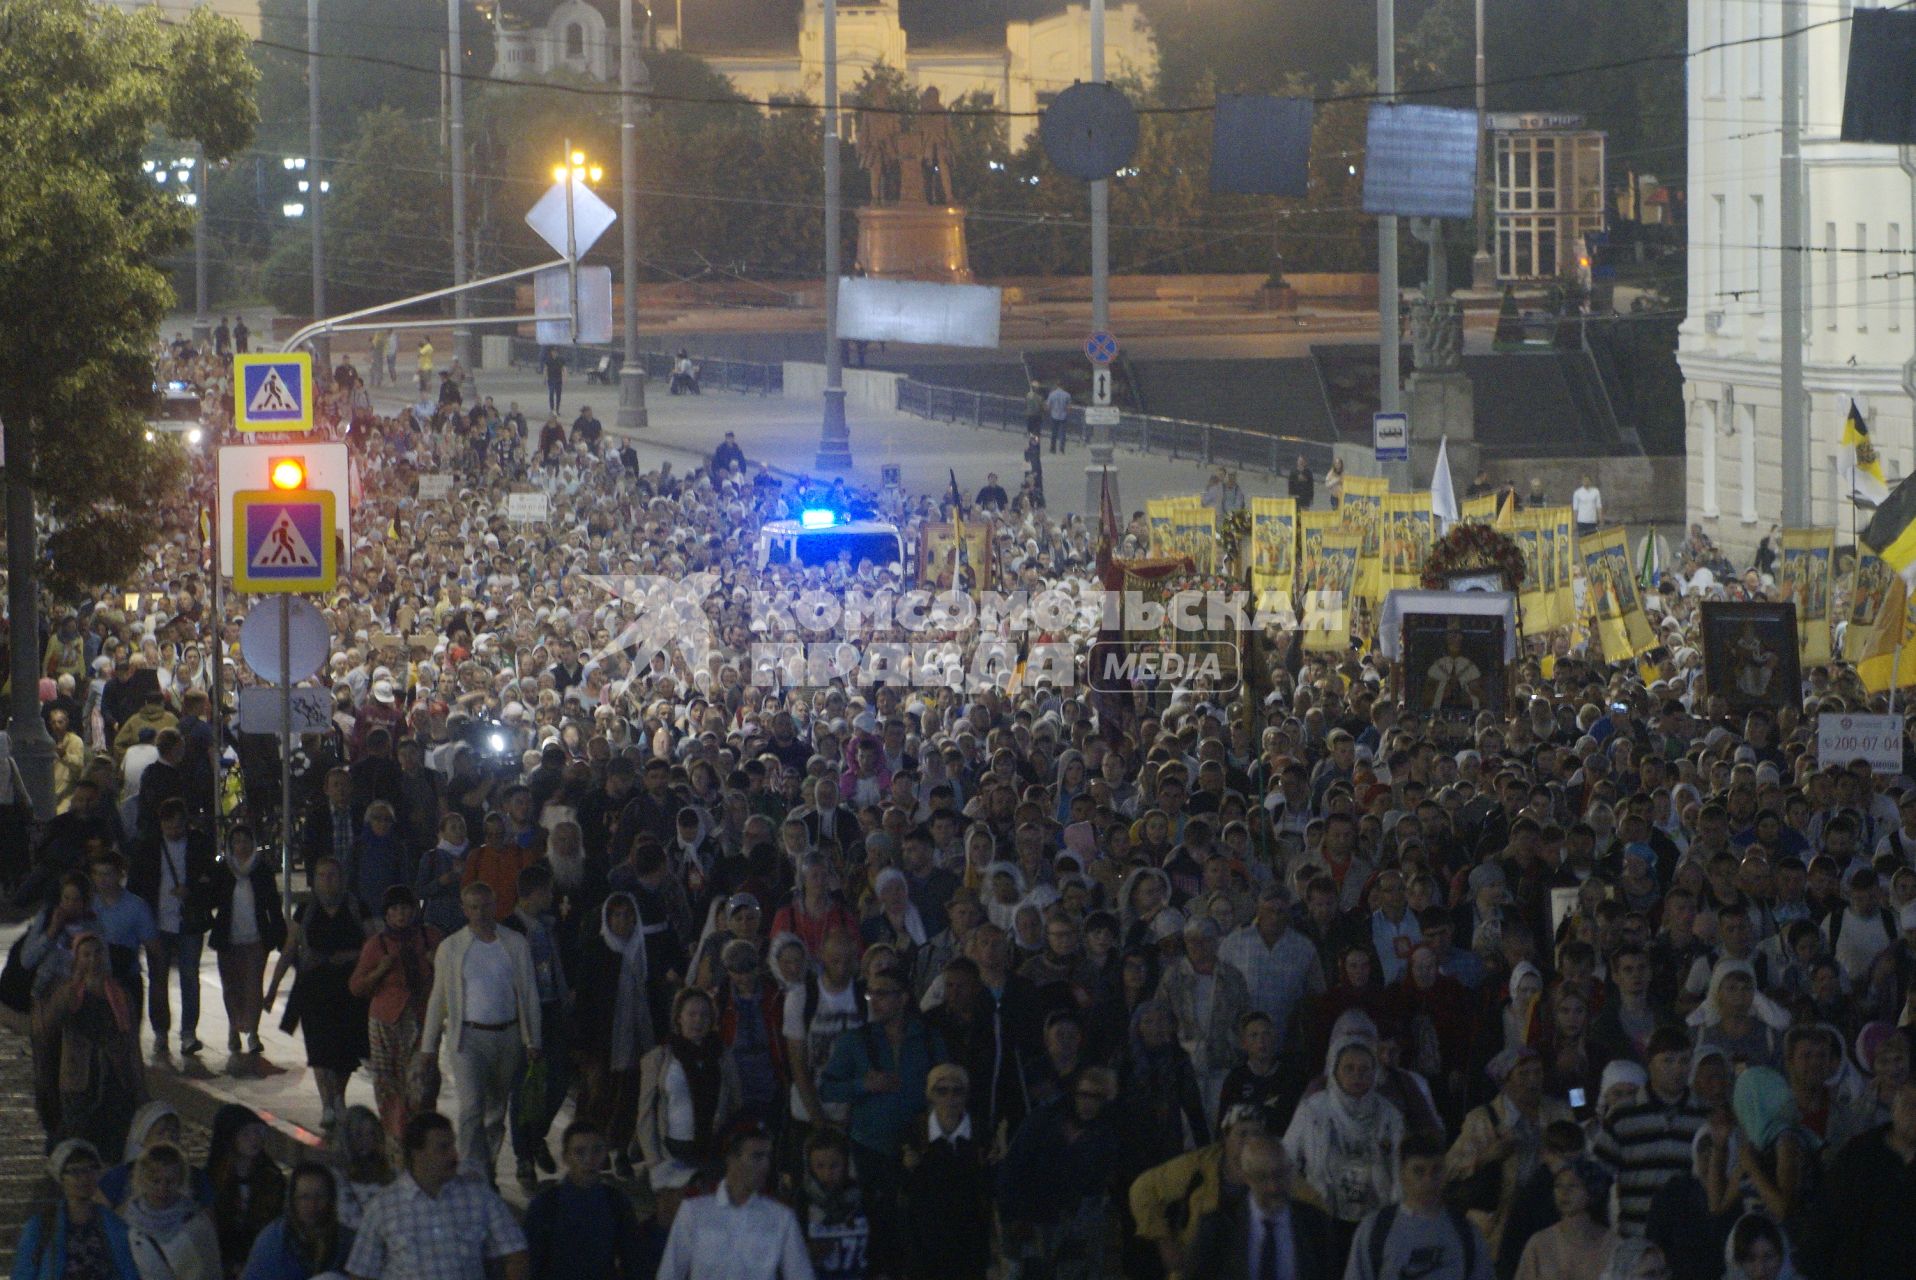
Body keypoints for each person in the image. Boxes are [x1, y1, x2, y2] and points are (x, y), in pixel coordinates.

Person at [420, 880, 542, 1184]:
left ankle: (485, 1167)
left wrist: (533, 1039)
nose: (480, 913)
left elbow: (528, 993)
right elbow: (439, 997)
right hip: (468, 1037)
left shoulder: (514, 944)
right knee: (472, 1107)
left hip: (508, 1036)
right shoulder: (451, 948)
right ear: (464, 910)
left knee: (495, 1112)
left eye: (485, 905)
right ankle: (464, 1173)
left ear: (495, 905)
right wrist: (428, 1046)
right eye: (473, 907)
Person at [344, 1111, 529, 1280]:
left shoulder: (479, 1197)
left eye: (452, 1146)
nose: (454, 1155)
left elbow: (515, 1254)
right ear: (418, 1154)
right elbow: (361, 1271)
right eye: (443, 1148)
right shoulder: (384, 1207)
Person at [1282, 1032, 1402, 1255]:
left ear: (1375, 1073)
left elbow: (1400, 1170)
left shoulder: (1389, 1115)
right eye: (1349, 1068)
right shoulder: (1313, 1111)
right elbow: (1285, 1158)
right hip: (1322, 1219)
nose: (1357, 1075)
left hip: (1375, 1221)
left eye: (1364, 1069)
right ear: (1335, 1071)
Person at [272, 859, 369, 1123]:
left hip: (349, 990)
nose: (328, 881)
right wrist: (271, 988)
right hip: (314, 989)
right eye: (322, 875)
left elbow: (373, 945)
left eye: (333, 875)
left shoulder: (356, 908)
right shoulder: (305, 912)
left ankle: (338, 1096)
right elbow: (290, 949)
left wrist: (350, 955)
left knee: (345, 1052)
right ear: (314, 880)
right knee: (320, 1050)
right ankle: (328, 1104)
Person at [657, 1121, 815, 1280]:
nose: (766, 1165)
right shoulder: (694, 1211)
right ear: (732, 1159)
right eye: (757, 1156)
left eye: (768, 1157)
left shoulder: (781, 1217)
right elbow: (669, 1273)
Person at [36, 932, 145, 1162]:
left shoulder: (120, 995)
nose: (93, 960)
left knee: (113, 1140)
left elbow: (132, 1043)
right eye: (86, 955)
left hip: (114, 1077)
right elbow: (48, 1026)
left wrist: (139, 1087)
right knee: (80, 1139)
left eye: (98, 953)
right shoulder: (69, 993)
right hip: (79, 1078)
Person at [637, 986, 742, 1222]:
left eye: (704, 1015)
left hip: (712, 1154)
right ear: (679, 1017)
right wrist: (654, 1160)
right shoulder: (660, 1058)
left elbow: (736, 1104)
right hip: (673, 1153)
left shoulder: (722, 1057)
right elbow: (646, 1113)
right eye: (692, 1014)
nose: (698, 1021)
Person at [350, 885, 441, 1143]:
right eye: (395, 909)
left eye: (405, 908)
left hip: (422, 1019)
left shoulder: (430, 938)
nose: (401, 914)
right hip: (385, 1020)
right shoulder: (377, 944)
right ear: (387, 914)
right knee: (387, 1084)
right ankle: (396, 1139)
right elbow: (356, 986)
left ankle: (421, 1137)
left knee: (422, 1084)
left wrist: (437, 963)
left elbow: (451, 977)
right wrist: (380, 971)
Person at [1185, 1133, 1339, 1280]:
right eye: (1262, 1177)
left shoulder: (1315, 1224)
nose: (1273, 1187)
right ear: (1246, 1177)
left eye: (1279, 1175)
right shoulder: (1218, 1228)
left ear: (1291, 1172)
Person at [575, 891, 655, 1174]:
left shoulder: (641, 949)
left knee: (629, 1095)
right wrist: (583, 1041)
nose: (623, 921)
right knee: (599, 1096)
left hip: (635, 1035)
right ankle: (591, 1149)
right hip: (602, 1038)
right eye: (617, 915)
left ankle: (619, 1148)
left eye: (628, 915)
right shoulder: (596, 950)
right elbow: (585, 997)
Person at [129, 797, 214, 1058]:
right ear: (161, 824)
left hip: (189, 921)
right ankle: (161, 1032)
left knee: (189, 976)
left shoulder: (198, 844)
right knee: (158, 978)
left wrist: (193, 891)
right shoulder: (148, 847)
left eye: (179, 826)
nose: (174, 831)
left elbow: (211, 879)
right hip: (158, 922)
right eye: (169, 826)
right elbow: (137, 884)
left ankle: (188, 1032)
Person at [1345, 1131, 1493, 1280]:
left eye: (1436, 1170)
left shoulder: (1467, 1233)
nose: (1428, 1180)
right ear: (1402, 1174)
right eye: (1419, 1171)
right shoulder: (1375, 1230)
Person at [523, 1120, 655, 1280]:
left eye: (597, 1150)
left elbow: (633, 1260)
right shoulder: (545, 1205)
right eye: (579, 1152)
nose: (589, 1159)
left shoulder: (616, 1202)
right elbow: (529, 1265)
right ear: (566, 1157)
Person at [899, 1064, 990, 1280]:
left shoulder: (983, 1134)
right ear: (930, 1095)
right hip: (924, 1244)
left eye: (957, 1090)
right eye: (942, 1090)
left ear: (966, 1095)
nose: (950, 1097)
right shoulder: (911, 1134)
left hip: (969, 1242)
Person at [207, 824, 285, 1065]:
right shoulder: (223, 870)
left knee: (253, 985)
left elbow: (272, 903)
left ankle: (252, 1032)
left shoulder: (261, 870)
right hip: (228, 939)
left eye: (245, 840)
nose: (241, 846)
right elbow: (210, 898)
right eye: (236, 841)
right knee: (231, 985)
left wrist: (279, 933)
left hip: (255, 938)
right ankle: (234, 1026)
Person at [12, 1139, 139, 1280]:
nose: (84, 1178)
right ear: (61, 1178)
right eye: (75, 1172)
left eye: (91, 1169)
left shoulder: (114, 1225)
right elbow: (23, 1273)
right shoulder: (41, 1227)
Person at [122, 1142, 222, 1280]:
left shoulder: (197, 1225)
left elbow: (212, 1272)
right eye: (155, 1181)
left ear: (180, 1181)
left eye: (170, 1181)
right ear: (142, 1179)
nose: (162, 1188)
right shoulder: (125, 1224)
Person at [238, 1161, 354, 1280]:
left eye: (320, 1196)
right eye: (304, 1197)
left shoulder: (345, 1241)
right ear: (292, 1200)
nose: (312, 1204)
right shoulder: (273, 1241)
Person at [204, 1105, 286, 1274]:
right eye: (246, 1134)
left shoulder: (271, 1177)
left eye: (258, 1132)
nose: (254, 1139)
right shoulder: (213, 1179)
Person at [1512, 1157, 1617, 1280]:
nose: (1564, 1192)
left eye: (1572, 1186)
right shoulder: (1540, 1244)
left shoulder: (1612, 1246)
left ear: (1591, 1192)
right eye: (1558, 1186)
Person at [325, 1106, 394, 1230]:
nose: (368, 1140)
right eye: (359, 1135)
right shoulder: (335, 1178)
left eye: (372, 1133)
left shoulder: (392, 1175)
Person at [1046, 382, 1072, 454]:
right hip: (1063, 416)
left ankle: (1052, 449)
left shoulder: (1052, 394)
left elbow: (1048, 406)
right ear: (1063, 386)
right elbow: (1069, 407)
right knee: (1063, 434)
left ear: (1057, 386)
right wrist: (1068, 413)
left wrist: (1049, 411)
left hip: (1054, 415)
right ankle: (1061, 449)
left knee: (1054, 433)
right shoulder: (1067, 395)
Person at [539, 346, 565, 414]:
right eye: (553, 351)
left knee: (558, 395)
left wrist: (564, 378)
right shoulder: (548, 359)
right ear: (551, 352)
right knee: (551, 394)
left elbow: (564, 369)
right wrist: (544, 379)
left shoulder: (560, 359)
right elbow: (545, 369)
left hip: (558, 379)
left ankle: (557, 410)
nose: (554, 353)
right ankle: (552, 409)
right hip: (551, 379)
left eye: (555, 352)